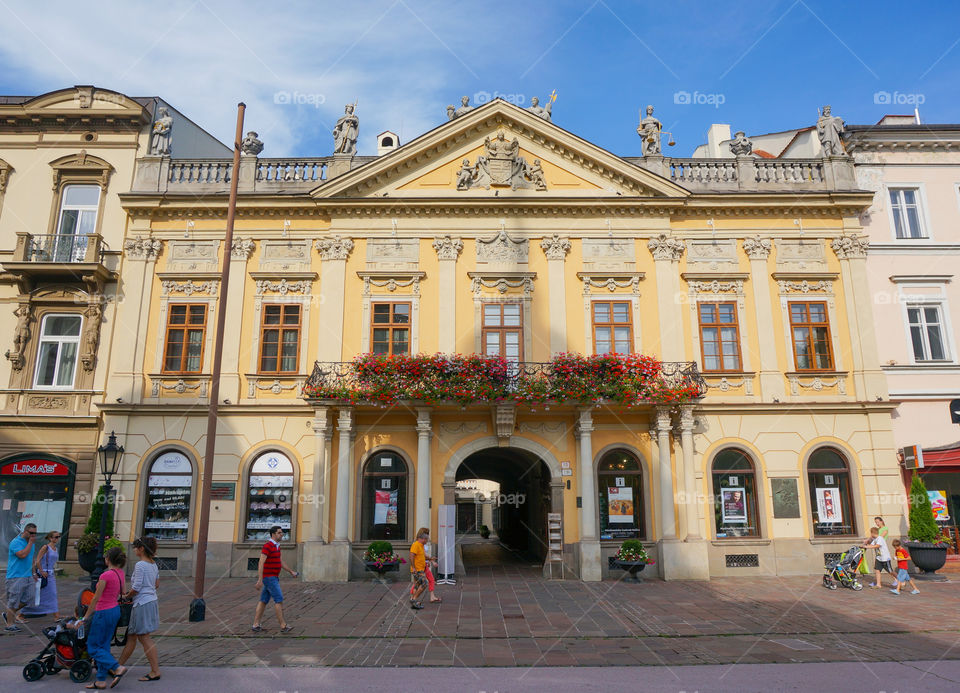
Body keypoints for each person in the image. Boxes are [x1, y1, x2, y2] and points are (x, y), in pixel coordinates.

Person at [82, 546, 128, 689]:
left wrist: (85, 617)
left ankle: (116, 667)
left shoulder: (105, 575)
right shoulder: (120, 573)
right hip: (115, 610)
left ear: (108, 559)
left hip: (103, 612)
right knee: (104, 645)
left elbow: (95, 598)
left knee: (93, 646)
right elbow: (123, 592)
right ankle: (100, 680)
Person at [116, 536, 161, 682]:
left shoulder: (140, 565)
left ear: (141, 549)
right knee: (132, 637)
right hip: (150, 600)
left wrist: (126, 596)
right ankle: (117, 667)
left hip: (142, 603)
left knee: (144, 637)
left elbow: (136, 587)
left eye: (136, 547)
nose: (134, 549)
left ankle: (155, 671)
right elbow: (156, 584)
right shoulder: (153, 564)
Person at [252, 525, 298, 633]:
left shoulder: (277, 546)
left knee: (263, 600)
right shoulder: (268, 546)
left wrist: (291, 571)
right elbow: (261, 562)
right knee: (279, 599)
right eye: (279, 533)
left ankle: (255, 624)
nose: (282, 534)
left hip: (274, 577)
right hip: (269, 578)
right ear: (273, 534)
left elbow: (280, 561)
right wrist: (260, 579)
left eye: (282, 533)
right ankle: (283, 625)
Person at [4, 522, 37, 631]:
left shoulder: (31, 543)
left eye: (35, 533)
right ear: (25, 531)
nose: (33, 535)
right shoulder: (16, 542)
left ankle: (9, 613)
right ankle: (9, 625)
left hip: (28, 575)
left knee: (29, 598)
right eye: (31, 533)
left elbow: (31, 558)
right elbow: (22, 555)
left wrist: (34, 573)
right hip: (15, 576)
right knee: (13, 600)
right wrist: (30, 543)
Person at [22, 530, 60, 619]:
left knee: (50, 594)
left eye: (59, 536)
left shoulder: (56, 549)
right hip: (44, 574)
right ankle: (22, 613)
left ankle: (56, 615)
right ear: (50, 538)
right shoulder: (45, 547)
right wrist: (41, 571)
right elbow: (38, 560)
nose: (57, 538)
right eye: (56, 537)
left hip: (51, 573)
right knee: (42, 594)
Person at [409, 529, 441, 605]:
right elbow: (411, 556)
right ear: (423, 539)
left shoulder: (421, 545)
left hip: (421, 568)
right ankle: (414, 599)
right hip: (418, 569)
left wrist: (430, 559)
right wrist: (413, 568)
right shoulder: (416, 544)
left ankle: (413, 599)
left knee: (417, 585)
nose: (427, 541)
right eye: (427, 540)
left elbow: (422, 556)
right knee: (424, 583)